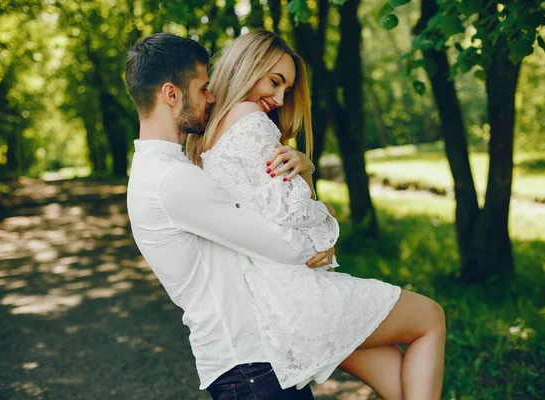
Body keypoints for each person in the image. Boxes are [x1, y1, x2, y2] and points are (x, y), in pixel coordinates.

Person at [186, 29, 446, 400]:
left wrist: (306, 177)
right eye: (275, 82)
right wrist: (321, 205)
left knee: (401, 380)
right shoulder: (248, 119)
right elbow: (297, 213)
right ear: (246, 66)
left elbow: (274, 212)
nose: (278, 99)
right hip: (301, 298)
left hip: (273, 309)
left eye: (286, 91)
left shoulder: (205, 138)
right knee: (430, 318)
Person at [124, 32, 327, 399]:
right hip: (249, 368)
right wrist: (319, 242)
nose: (213, 97)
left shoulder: (166, 170)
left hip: (252, 362)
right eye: (203, 89)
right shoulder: (172, 181)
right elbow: (279, 243)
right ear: (171, 95)